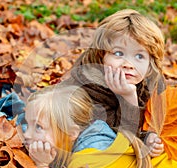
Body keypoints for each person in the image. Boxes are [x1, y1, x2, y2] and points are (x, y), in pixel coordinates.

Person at [62, 9, 166, 157]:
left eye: (139, 56)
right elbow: (122, 139)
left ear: (150, 64)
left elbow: (145, 127)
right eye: (118, 53)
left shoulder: (148, 85)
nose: (129, 64)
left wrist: (149, 139)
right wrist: (128, 99)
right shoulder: (87, 87)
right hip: (89, 141)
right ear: (101, 55)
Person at [23, 84, 152, 168]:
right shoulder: (91, 131)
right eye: (27, 124)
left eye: (38, 127)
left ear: (72, 132)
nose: (27, 134)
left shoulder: (91, 158)